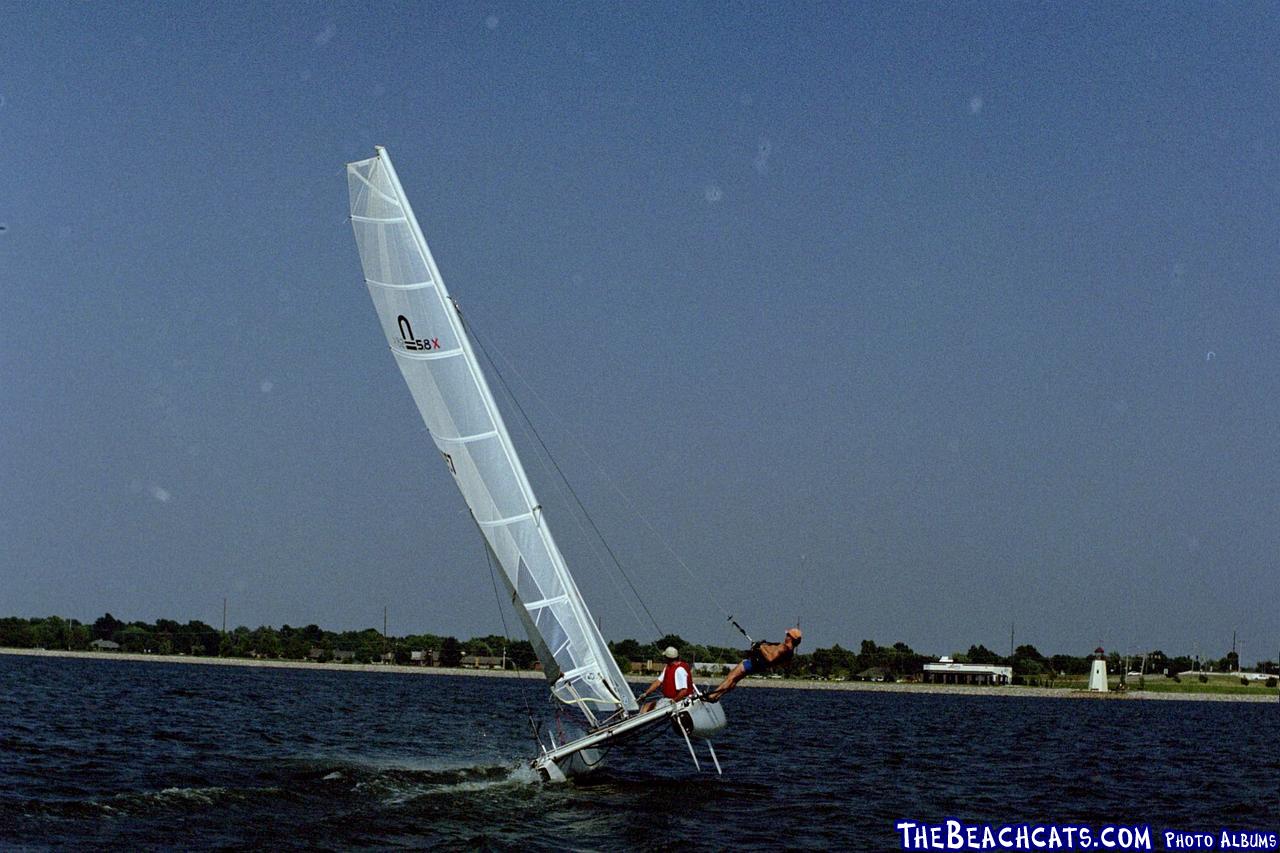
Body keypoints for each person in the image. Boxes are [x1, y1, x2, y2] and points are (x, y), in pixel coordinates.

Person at [705, 627, 802, 701]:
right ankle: (717, 696)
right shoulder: (790, 652)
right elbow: (778, 661)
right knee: (735, 680)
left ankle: (711, 696)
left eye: (787, 635)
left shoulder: (784, 648)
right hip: (758, 666)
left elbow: (770, 658)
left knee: (731, 677)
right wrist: (762, 646)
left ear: (790, 638)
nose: (785, 637)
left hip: (753, 663)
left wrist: (759, 646)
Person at [636, 646, 695, 712]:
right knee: (646, 706)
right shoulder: (668, 667)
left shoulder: (679, 670)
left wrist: (674, 701)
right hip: (668, 699)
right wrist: (646, 693)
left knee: (652, 709)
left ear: (668, 658)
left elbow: (684, 691)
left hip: (677, 701)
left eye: (665, 657)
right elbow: (658, 682)